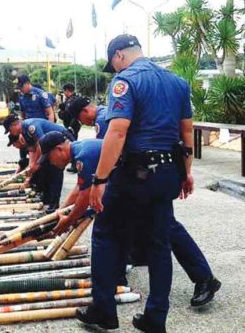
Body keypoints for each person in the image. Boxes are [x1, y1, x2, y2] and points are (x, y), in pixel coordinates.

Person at [80, 35, 199, 332]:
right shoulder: (177, 83)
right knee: (159, 243)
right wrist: (186, 174)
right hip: (167, 173)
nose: (115, 70)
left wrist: (100, 179)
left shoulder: (125, 82)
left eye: (114, 64)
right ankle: (155, 318)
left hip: (133, 173)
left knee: (106, 235)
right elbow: (187, 134)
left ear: (119, 55)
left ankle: (104, 310)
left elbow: (117, 132)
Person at [38, 130, 220, 306]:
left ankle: (205, 279)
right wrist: (60, 214)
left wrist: (68, 221)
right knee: (124, 226)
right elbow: (80, 189)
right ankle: (118, 278)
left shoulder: (83, 154)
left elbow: (85, 196)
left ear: (59, 149)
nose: (51, 163)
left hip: (144, 178)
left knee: (167, 228)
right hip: (133, 183)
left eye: (50, 158)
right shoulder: (81, 150)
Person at [3, 113, 69, 211]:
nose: (11, 133)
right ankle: (47, 198)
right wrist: (31, 168)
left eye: (10, 130)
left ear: (14, 125)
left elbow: (41, 145)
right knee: (44, 169)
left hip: (62, 140)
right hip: (51, 146)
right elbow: (32, 151)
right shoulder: (24, 132)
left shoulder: (31, 126)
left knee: (55, 170)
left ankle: (54, 203)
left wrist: (37, 164)